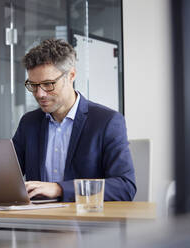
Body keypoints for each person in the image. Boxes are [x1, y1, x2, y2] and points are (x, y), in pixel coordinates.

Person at [12, 39, 136, 202]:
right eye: (33, 85)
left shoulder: (107, 122)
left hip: (87, 222)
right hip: (37, 220)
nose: (40, 94)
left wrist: (59, 189)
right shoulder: (29, 123)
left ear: (71, 75)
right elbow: (6, 177)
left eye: (48, 84)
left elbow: (124, 187)